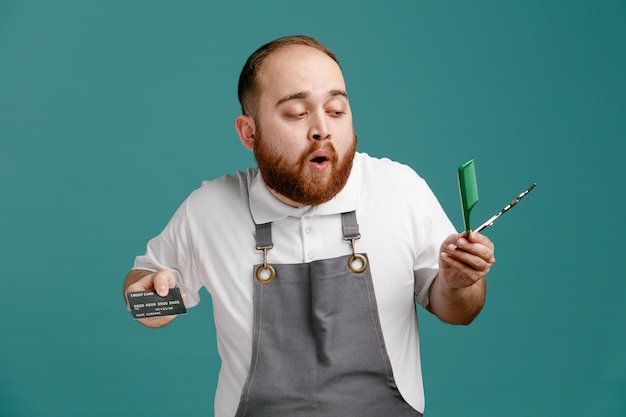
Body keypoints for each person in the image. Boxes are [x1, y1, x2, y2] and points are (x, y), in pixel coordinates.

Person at [123, 35, 495, 417]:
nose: (322, 129)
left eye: (336, 110)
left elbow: (458, 310)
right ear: (248, 132)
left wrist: (458, 283)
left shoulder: (400, 190)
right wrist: (149, 298)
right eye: (297, 113)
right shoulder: (209, 210)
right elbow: (148, 288)